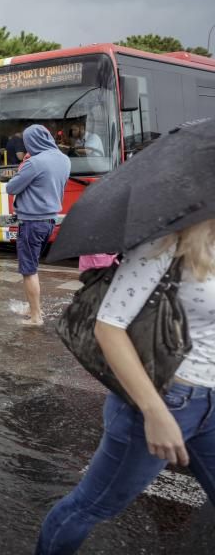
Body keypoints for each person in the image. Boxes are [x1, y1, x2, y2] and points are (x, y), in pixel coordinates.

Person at [37, 219, 215, 554]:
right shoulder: (164, 243)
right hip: (167, 399)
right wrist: (154, 411)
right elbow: (110, 328)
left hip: (211, 401)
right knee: (91, 505)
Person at [4, 124, 71, 326]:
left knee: (28, 270)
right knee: (33, 266)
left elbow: (11, 187)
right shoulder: (64, 159)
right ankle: (34, 307)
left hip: (32, 222)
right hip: (50, 221)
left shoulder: (35, 162)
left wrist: (23, 166)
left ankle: (36, 316)